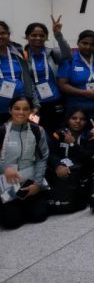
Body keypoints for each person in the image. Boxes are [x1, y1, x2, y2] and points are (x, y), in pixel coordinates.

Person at [0, 96, 49, 229]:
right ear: (10, 110)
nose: (21, 112)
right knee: (11, 223)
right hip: (6, 185)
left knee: (38, 216)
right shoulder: (2, 131)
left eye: (25, 109)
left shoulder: (37, 130)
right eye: (17, 108)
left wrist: (37, 183)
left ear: (31, 112)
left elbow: (42, 158)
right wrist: (4, 169)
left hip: (30, 182)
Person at [22, 16, 71, 132]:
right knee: (36, 132)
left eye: (42, 35)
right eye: (33, 35)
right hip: (35, 106)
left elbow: (68, 55)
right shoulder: (23, 56)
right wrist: (34, 105)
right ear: (27, 36)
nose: (38, 38)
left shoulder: (53, 53)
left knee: (58, 133)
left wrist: (58, 35)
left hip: (56, 102)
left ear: (46, 37)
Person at [47, 108, 94, 202]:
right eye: (74, 118)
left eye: (82, 119)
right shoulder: (58, 134)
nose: (78, 121)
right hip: (60, 169)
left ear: (86, 121)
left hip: (80, 172)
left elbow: (90, 158)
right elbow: (51, 153)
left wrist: (73, 144)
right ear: (68, 120)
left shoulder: (90, 135)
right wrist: (58, 166)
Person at [0, 20, 36, 124]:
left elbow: (29, 80)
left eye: (3, 33)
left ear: (8, 35)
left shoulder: (19, 53)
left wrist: (34, 105)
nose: (0, 36)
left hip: (21, 108)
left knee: (23, 137)